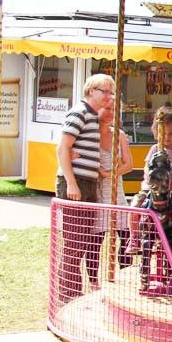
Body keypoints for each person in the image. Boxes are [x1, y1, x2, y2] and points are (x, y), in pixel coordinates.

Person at [56, 73, 114, 298]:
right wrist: (71, 183)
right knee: (74, 241)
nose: (108, 96)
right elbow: (62, 147)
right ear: (92, 91)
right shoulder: (79, 112)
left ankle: (73, 292)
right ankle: (68, 293)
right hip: (77, 182)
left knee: (81, 240)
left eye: (110, 92)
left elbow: (68, 147)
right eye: (105, 91)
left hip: (87, 181)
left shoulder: (91, 116)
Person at [143, 109, 172, 236]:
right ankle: (134, 236)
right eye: (163, 133)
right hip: (152, 188)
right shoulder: (154, 149)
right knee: (136, 203)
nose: (167, 137)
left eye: (171, 133)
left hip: (171, 188)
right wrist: (149, 177)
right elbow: (147, 166)